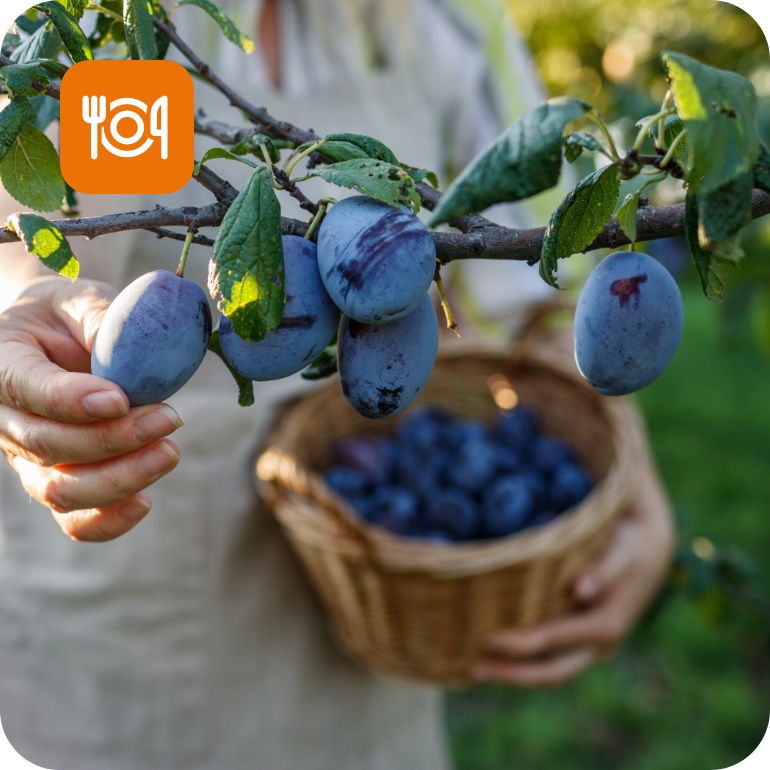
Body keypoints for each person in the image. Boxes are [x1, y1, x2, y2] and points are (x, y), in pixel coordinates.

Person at [0, 1, 675, 768]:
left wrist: (637, 491)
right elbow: (18, 226)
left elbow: (554, 265)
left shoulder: (448, 18)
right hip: (118, 621)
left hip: (375, 596)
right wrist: (21, 304)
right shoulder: (79, 26)